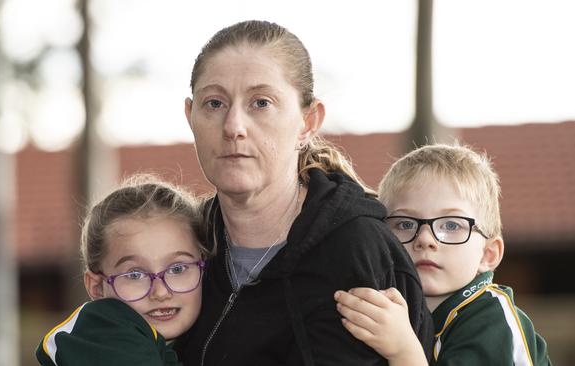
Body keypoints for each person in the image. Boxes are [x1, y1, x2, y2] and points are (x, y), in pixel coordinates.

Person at [178, 20, 432, 366]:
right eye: (215, 103)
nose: (234, 127)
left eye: (261, 102)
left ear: (308, 122)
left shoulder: (353, 249)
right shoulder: (183, 248)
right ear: (191, 116)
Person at [335, 143, 551, 365]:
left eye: (451, 225)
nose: (425, 239)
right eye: (405, 224)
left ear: (488, 255)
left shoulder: (492, 321)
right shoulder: (391, 306)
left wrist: (403, 351)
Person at [35, 174, 208, 366]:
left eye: (177, 269)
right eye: (135, 275)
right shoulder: (102, 337)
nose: (160, 292)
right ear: (97, 287)